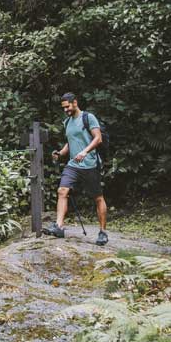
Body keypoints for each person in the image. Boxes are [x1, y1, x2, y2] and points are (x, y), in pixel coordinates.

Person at [45, 92, 108, 246]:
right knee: (62, 191)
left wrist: (85, 152)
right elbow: (70, 142)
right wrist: (60, 153)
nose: (66, 110)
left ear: (75, 102)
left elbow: (98, 138)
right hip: (73, 165)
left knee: (98, 197)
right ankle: (59, 226)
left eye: (67, 106)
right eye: (63, 108)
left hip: (90, 164)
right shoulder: (67, 122)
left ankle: (102, 232)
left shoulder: (88, 117)